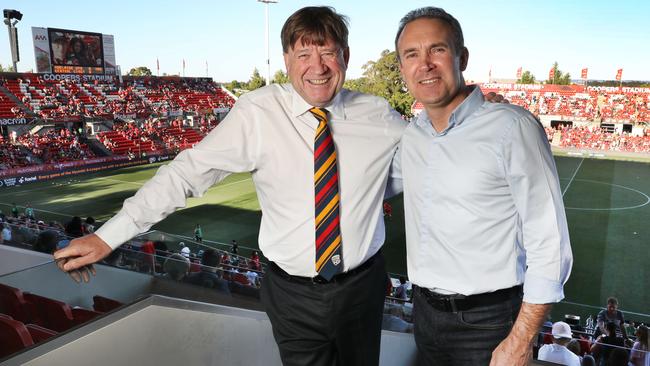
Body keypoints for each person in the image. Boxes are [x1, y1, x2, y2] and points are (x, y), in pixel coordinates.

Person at [54, 6, 406, 366]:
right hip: (291, 293)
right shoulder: (258, 111)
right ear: (287, 59)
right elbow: (186, 174)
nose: (317, 67)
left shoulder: (377, 114)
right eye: (304, 54)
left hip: (363, 287)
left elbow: (420, 168)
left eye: (328, 52)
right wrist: (107, 236)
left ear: (345, 56)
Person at [393, 7, 573, 365]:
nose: (424, 64)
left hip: (489, 324)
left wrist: (521, 340)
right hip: (425, 314)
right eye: (412, 54)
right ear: (402, 68)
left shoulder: (512, 128)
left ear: (462, 57)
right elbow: (366, 183)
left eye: (437, 50)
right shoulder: (411, 136)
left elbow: (549, 242)